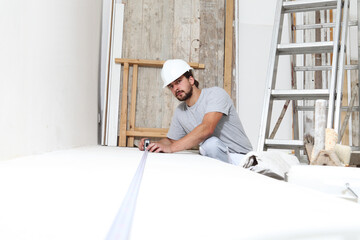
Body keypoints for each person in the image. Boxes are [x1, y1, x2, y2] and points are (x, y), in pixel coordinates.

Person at [138, 59, 252, 165]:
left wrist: (171, 148)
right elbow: (171, 141)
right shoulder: (180, 112)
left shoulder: (216, 94)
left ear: (191, 79)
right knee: (205, 149)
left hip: (242, 159)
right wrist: (154, 145)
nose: (175, 88)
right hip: (215, 157)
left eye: (178, 81)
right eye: (171, 86)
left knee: (209, 144)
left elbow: (207, 128)